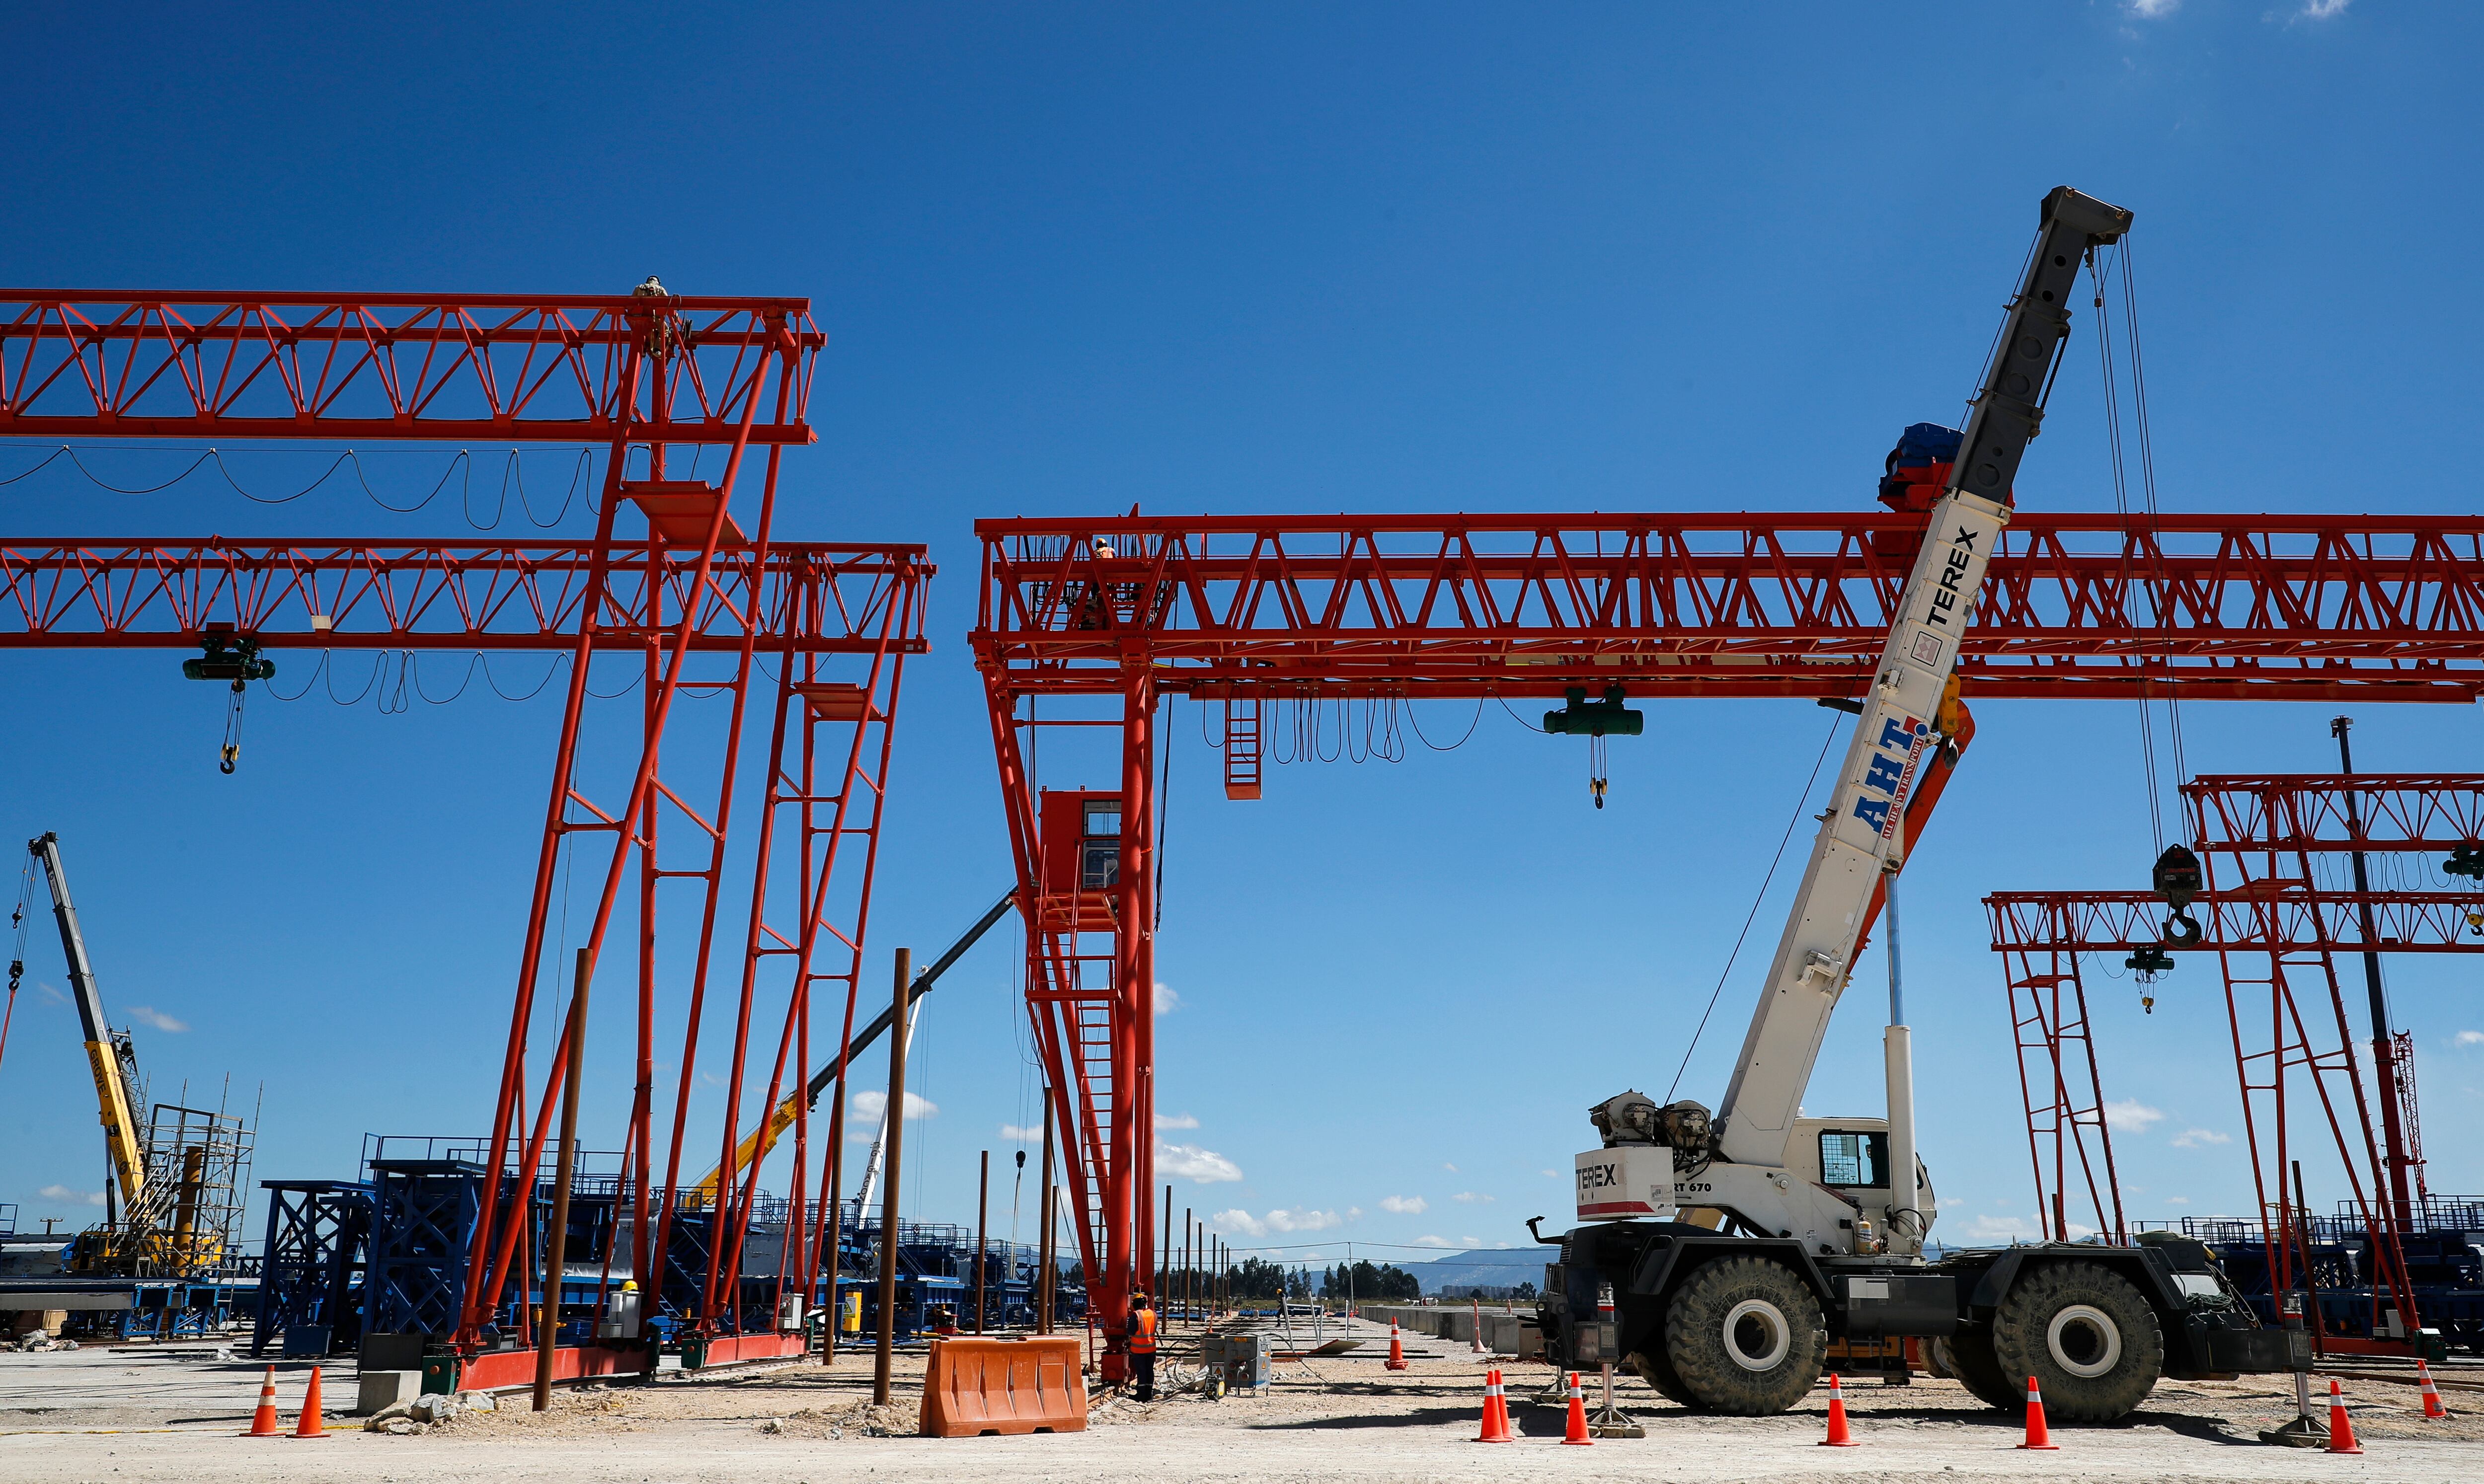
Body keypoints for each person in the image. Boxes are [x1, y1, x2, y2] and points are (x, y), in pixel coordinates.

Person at [1126, 1291, 1159, 1402]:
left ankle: (1141, 1395)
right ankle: (1149, 1395)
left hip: (1139, 1350)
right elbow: (1154, 1329)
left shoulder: (1136, 1315)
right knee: (1149, 1371)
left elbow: (1131, 1332)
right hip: (1151, 1349)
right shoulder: (1153, 1314)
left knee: (1141, 1372)